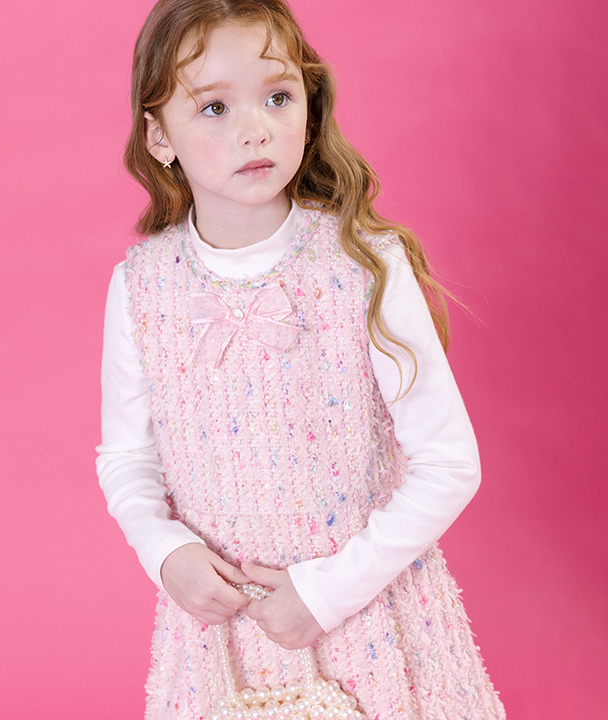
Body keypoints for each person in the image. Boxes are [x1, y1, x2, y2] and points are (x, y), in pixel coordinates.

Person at [97, 0, 506, 717]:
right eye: (214, 107)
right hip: (223, 639)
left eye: (278, 97)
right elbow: (127, 458)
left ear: (309, 111)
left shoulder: (364, 264)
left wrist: (326, 593)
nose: (255, 128)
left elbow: (449, 463)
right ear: (159, 136)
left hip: (371, 624)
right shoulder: (143, 287)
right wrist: (164, 553)